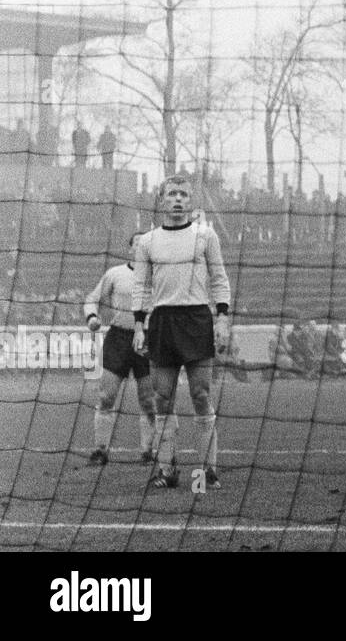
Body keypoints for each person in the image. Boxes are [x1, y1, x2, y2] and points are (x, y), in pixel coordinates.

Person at [133, 175, 233, 491]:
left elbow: (219, 278)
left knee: (201, 395)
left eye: (183, 194)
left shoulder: (205, 236)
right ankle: (166, 469)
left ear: (191, 202)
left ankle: (207, 473)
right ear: (162, 200)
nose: (177, 199)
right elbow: (140, 285)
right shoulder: (147, 242)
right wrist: (139, 324)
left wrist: (222, 318)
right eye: (172, 194)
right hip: (162, 322)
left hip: (196, 320)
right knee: (161, 397)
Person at [84, 232, 156, 465]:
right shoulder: (115, 274)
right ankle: (101, 450)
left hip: (148, 340)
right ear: (130, 249)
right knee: (106, 396)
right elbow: (92, 298)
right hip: (118, 339)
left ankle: (148, 451)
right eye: (137, 243)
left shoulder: (159, 274)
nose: (141, 247)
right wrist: (92, 317)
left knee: (148, 400)